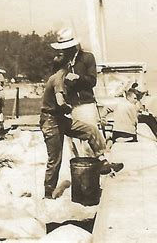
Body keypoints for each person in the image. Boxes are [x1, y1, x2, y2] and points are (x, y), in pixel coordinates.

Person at [40, 65, 124, 199]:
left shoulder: (65, 79)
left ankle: (102, 161)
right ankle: (48, 193)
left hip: (61, 119)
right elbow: (60, 102)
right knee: (55, 159)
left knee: (90, 130)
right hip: (50, 121)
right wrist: (69, 108)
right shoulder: (58, 78)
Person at [51, 28, 106, 154]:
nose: (65, 50)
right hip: (68, 106)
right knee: (72, 144)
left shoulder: (87, 57)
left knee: (89, 141)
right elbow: (54, 81)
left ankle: (94, 170)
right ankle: (78, 171)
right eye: (63, 47)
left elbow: (92, 81)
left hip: (86, 105)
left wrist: (78, 78)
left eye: (67, 47)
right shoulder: (59, 62)